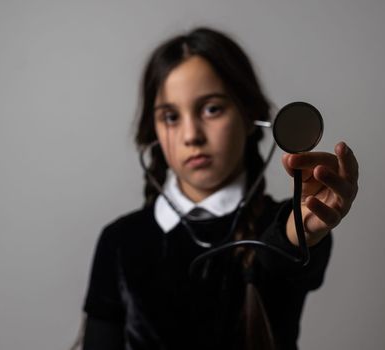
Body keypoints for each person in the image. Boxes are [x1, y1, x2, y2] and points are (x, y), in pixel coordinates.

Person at [80, 27, 359, 350]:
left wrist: (298, 234)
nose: (191, 135)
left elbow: (283, 254)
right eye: (171, 116)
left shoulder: (284, 225)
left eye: (211, 109)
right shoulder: (120, 241)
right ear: (153, 130)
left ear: (249, 114)